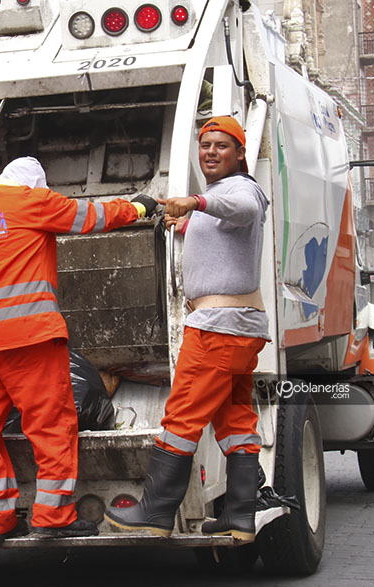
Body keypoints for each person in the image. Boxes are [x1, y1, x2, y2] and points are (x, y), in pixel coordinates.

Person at [0, 157, 158, 543]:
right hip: (29, 337)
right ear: (34, 187)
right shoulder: (32, 202)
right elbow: (89, 217)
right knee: (51, 425)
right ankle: (52, 515)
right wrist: (138, 206)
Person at [106, 116, 270, 540]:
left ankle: (156, 512)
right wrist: (189, 222)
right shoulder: (219, 196)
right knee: (235, 421)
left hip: (218, 327)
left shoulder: (241, 188)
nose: (211, 152)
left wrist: (196, 204)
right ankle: (240, 516)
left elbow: (245, 209)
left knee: (181, 417)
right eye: (206, 145)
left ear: (239, 154)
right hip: (239, 326)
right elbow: (222, 232)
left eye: (221, 146)